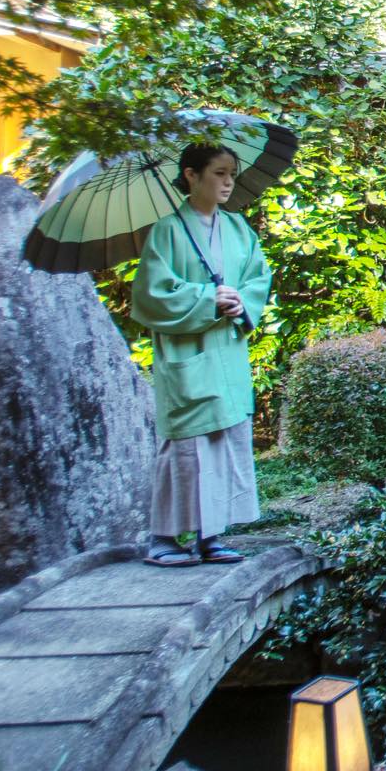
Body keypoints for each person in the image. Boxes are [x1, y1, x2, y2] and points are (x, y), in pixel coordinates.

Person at [130, 143, 272, 567]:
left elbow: (257, 278)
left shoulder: (238, 229)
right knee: (186, 446)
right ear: (191, 176)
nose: (229, 182)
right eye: (219, 173)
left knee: (226, 440)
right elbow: (152, 293)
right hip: (187, 350)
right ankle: (163, 537)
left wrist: (239, 303)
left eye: (232, 173)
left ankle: (212, 535)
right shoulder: (168, 231)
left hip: (226, 350)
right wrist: (206, 298)